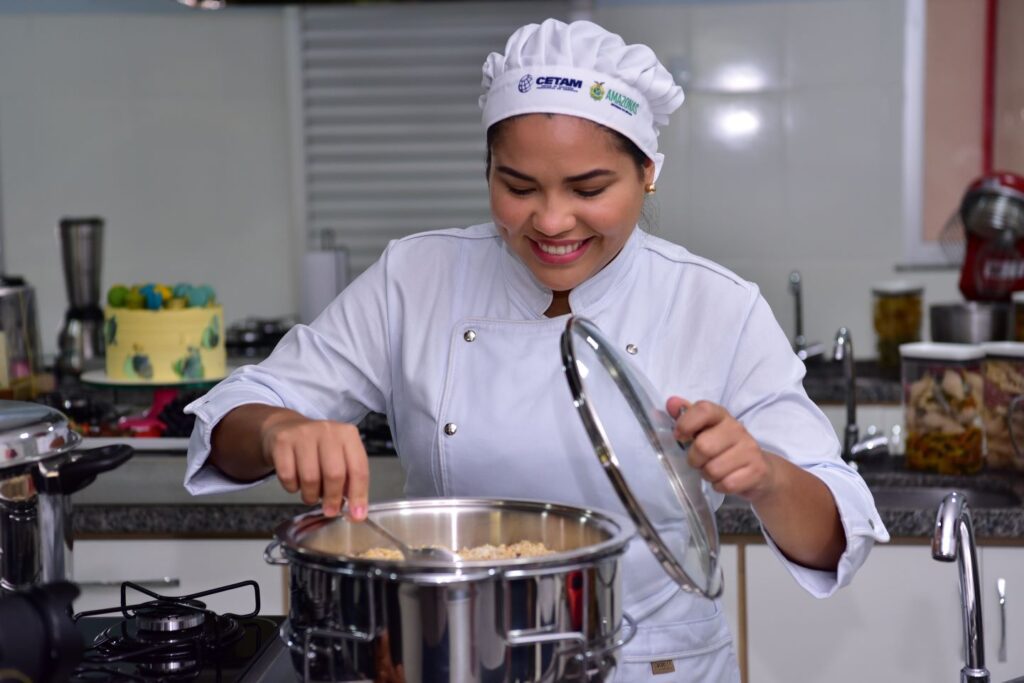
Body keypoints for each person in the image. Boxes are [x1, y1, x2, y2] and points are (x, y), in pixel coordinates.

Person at [184, 18, 889, 681]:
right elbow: (232, 419)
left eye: (590, 188)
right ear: (487, 168)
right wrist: (281, 428)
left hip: (653, 665)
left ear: (648, 171)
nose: (551, 221)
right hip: (452, 656)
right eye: (517, 186)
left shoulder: (717, 305)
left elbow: (836, 534)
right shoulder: (417, 276)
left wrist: (763, 474)